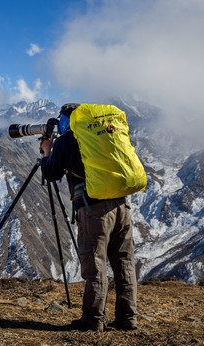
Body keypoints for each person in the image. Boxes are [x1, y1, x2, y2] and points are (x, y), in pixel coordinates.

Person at [40, 103, 138, 332]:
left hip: (94, 210)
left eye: (61, 120)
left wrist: (47, 151)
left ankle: (93, 320)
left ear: (67, 120)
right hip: (122, 204)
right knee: (123, 261)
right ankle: (128, 318)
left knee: (95, 265)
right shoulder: (103, 133)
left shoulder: (67, 140)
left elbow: (51, 173)